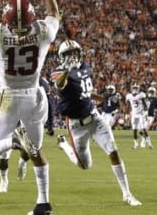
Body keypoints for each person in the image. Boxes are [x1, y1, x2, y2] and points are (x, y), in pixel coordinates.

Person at [0, 0, 59, 215]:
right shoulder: (42, 33)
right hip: (35, 97)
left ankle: (12, 142)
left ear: (6, 18)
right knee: (35, 150)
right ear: (31, 17)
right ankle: (43, 202)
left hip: (9, 97)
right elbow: (54, 14)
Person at [52, 40, 142, 206]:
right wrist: (66, 70)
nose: (73, 57)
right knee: (85, 165)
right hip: (76, 125)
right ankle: (64, 145)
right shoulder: (59, 71)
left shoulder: (85, 67)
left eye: (75, 53)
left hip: (95, 118)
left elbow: (83, 91)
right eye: (69, 54)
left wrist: (100, 98)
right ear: (62, 57)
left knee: (113, 151)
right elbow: (60, 84)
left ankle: (127, 194)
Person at [125, 84, 151, 149]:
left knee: (143, 129)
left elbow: (144, 104)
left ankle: (149, 143)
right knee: (134, 130)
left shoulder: (141, 95)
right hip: (134, 114)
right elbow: (128, 106)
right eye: (134, 88)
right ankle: (135, 144)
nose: (135, 89)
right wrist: (126, 113)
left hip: (140, 114)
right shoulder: (129, 96)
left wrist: (145, 112)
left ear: (138, 89)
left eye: (136, 88)